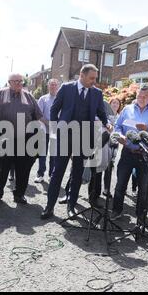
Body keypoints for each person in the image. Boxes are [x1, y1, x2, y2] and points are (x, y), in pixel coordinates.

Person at [41, 64, 111, 220]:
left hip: (84, 137)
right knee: (57, 171)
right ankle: (49, 207)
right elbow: (54, 109)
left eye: (95, 78)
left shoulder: (97, 93)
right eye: (91, 78)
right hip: (65, 136)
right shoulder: (66, 88)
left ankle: (71, 207)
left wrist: (107, 123)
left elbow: (101, 112)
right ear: (82, 75)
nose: (94, 81)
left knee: (78, 174)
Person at [110, 85, 148, 225]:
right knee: (120, 184)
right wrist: (120, 137)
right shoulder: (127, 109)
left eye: (144, 96)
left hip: (145, 155)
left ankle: (141, 216)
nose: (141, 99)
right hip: (128, 152)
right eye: (139, 96)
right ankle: (116, 210)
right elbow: (117, 127)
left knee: (144, 187)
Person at [0, 73, 43, 205]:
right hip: (4, 137)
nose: (20, 84)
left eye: (21, 81)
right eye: (16, 81)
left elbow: (37, 116)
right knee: (1, 169)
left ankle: (19, 194)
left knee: (23, 169)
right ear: (9, 82)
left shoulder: (29, 96)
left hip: (25, 139)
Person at [34, 79, 60, 184]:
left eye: (55, 85)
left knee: (53, 154)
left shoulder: (61, 99)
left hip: (56, 129)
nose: (53, 87)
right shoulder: (43, 99)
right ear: (48, 86)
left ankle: (51, 175)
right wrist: (48, 122)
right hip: (44, 129)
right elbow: (38, 114)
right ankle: (40, 174)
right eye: (51, 85)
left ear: (58, 86)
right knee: (42, 153)